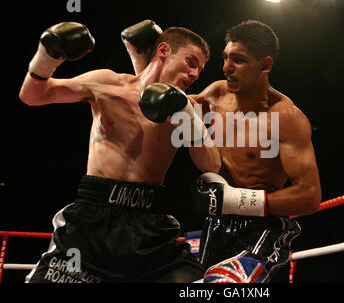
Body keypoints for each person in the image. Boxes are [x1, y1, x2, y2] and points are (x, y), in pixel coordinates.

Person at [19, 20, 220, 283]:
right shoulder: (109, 83)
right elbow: (33, 95)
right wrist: (47, 57)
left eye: (199, 70)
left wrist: (187, 116)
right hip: (91, 225)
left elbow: (211, 164)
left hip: (151, 231)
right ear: (163, 51)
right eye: (191, 62)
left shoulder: (187, 108)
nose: (195, 74)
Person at [188, 20, 322, 283]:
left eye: (238, 60)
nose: (226, 67)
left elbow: (310, 196)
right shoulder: (216, 94)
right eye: (226, 57)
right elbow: (172, 105)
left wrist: (234, 200)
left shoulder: (286, 117)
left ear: (265, 65)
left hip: (263, 226)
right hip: (216, 222)